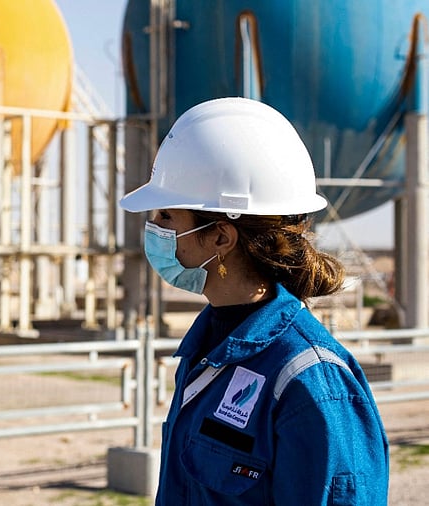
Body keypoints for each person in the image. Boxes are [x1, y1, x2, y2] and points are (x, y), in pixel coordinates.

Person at [119, 97, 389, 504]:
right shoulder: (206, 352)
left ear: (221, 238)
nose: (153, 229)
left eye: (166, 217)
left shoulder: (311, 381)